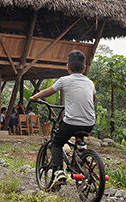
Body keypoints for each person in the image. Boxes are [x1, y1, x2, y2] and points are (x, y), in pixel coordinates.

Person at [29, 50, 96, 190]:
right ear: (84, 68)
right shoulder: (90, 83)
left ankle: (59, 171)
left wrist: (34, 97)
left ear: (67, 67)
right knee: (79, 139)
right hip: (90, 123)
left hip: (71, 122)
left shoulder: (64, 80)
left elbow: (48, 92)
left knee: (56, 143)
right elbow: (92, 99)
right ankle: (82, 154)